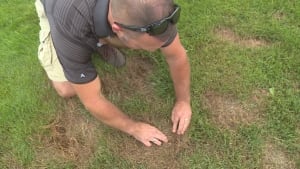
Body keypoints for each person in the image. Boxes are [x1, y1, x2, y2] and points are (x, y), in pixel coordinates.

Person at [35, 0, 192, 147]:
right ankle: (93, 43)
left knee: (122, 37)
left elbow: (176, 56)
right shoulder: (71, 25)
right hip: (58, 9)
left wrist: (183, 101)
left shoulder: (155, 11)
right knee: (67, 89)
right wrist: (133, 128)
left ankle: (100, 42)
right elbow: (92, 100)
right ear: (117, 29)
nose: (154, 50)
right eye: (147, 47)